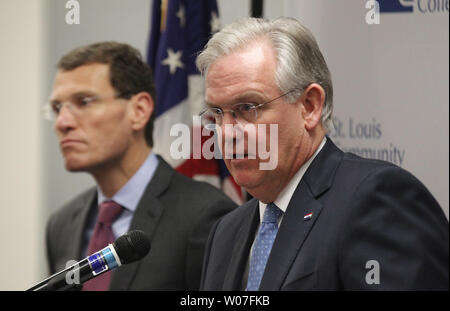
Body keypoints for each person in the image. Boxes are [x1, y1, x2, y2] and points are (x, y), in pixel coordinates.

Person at [196, 17, 449, 290]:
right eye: (217, 114)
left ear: (309, 106)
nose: (228, 133)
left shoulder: (377, 201)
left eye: (247, 107)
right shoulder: (226, 232)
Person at [45, 41, 236, 290]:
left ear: (139, 110)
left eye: (84, 102)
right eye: (57, 108)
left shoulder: (207, 216)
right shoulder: (61, 224)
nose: (63, 122)